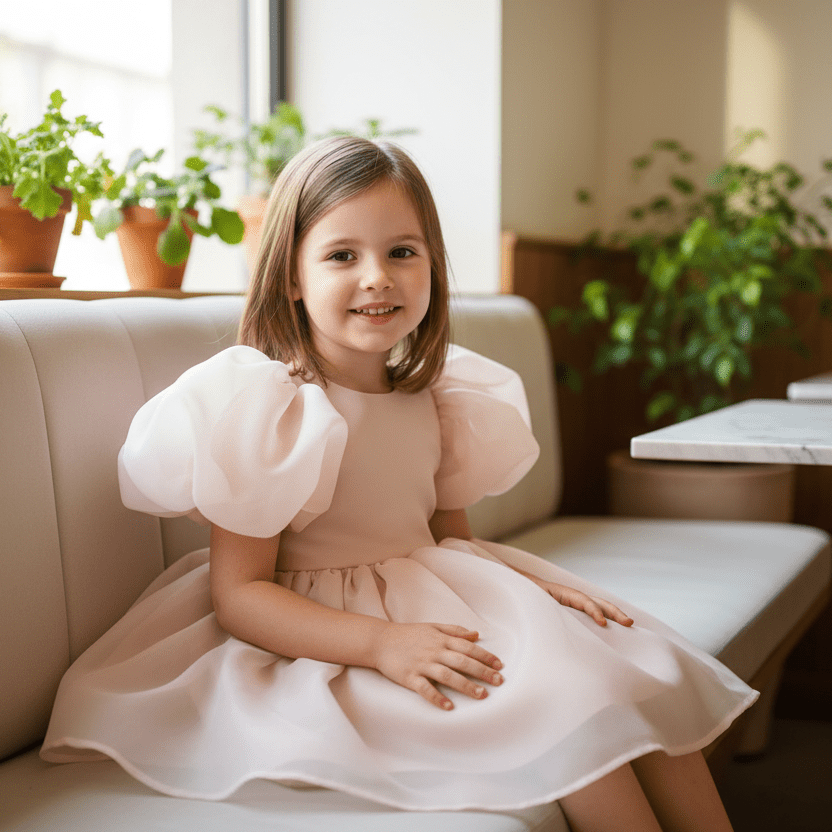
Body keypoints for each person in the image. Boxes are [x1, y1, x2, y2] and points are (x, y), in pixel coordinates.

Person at [42, 137, 757, 831]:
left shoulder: (442, 397)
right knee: (573, 724)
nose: (377, 277)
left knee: (630, 676)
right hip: (327, 640)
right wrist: (383, 643)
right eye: (342, 255)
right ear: (291, 277)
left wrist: (537, 583)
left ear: (433, 266)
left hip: (433, 602)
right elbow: (241, 596)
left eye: (402, 252)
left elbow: (452, 542)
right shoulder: (271, 410)